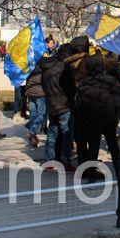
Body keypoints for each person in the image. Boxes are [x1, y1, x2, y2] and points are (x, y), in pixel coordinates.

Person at [75, 52, 120, 181]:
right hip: (107, 118)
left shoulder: (82, 85)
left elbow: (79, 105)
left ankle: (92, 177)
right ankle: (119, 174)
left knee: (93, 149)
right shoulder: (109, 81)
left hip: (91, 120)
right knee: (113, 146)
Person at [42, 38, 83, 171]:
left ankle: (49, 160)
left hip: (51, 104)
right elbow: (71, 87)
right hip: (64, 105)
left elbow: (43, 85)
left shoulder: (48, 67)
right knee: (67, 134)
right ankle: (65, 162)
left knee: (52, 133)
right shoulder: (65, 68)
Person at [24, 50, 48, 148]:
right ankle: (32, 131)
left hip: (30, 92)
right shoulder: (43, 66)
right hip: (40, 93)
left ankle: (32, 136)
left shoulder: (29, 66)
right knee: (41, 114)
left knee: (33, 114)